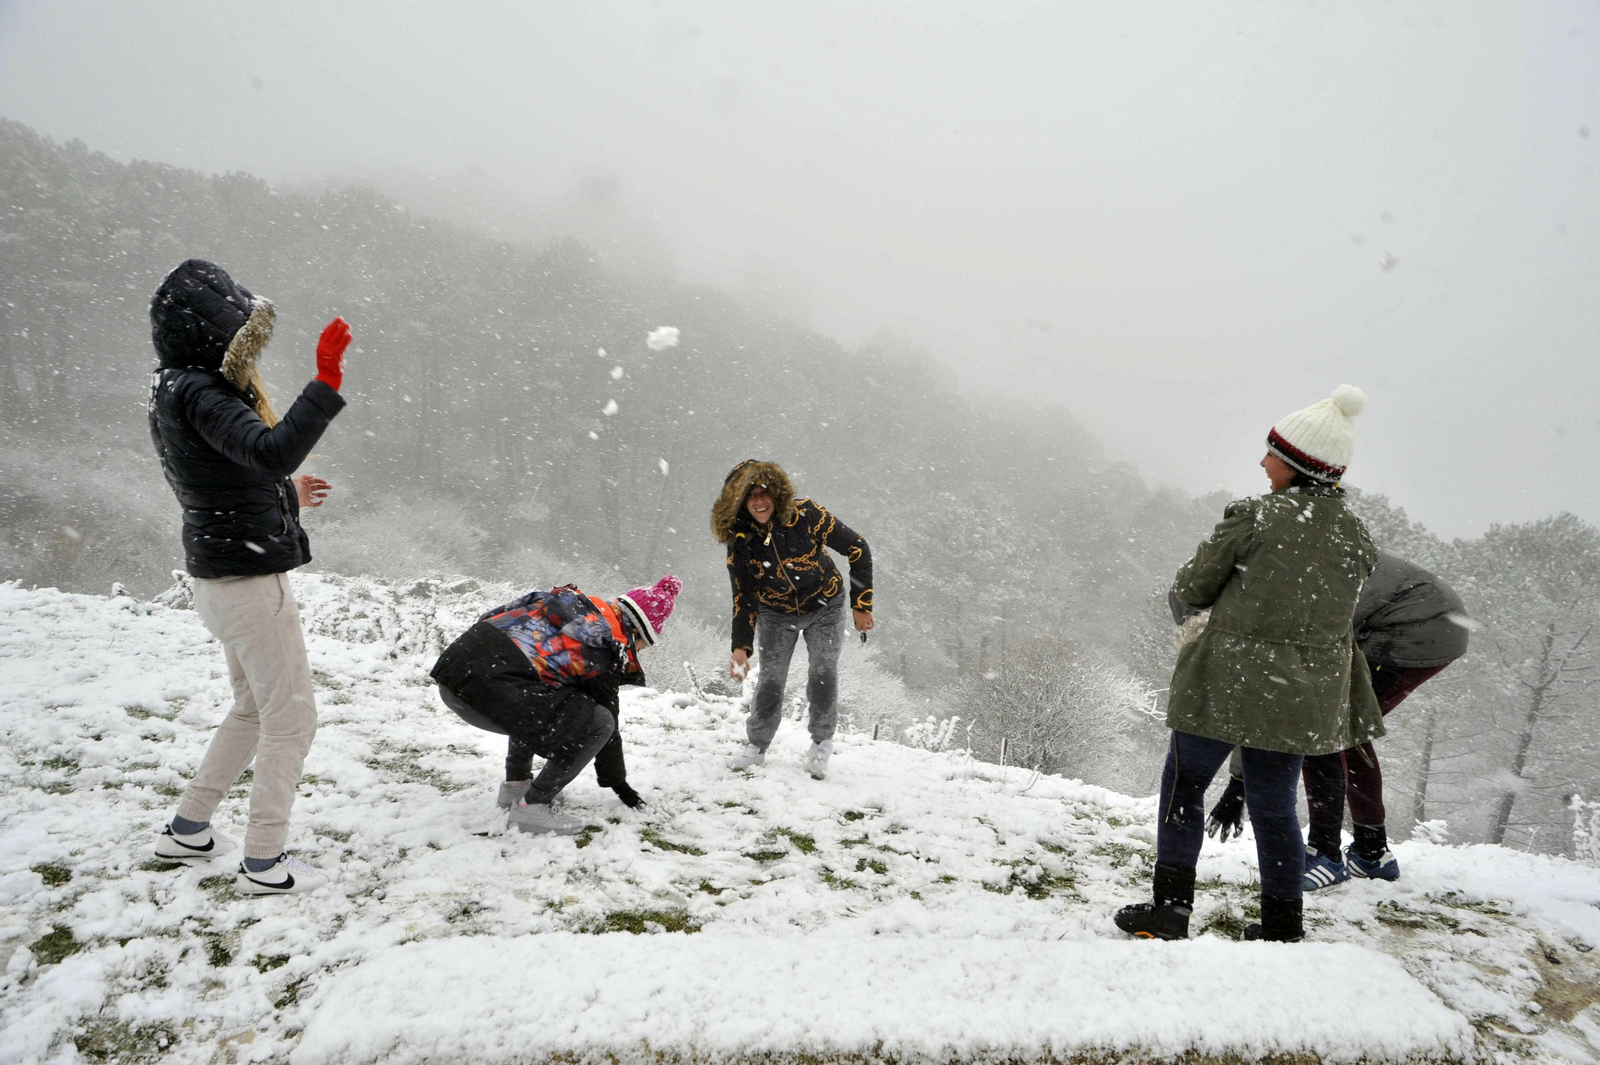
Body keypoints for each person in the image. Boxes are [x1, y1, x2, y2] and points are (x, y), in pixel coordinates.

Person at [1115, 385, 1383, 943]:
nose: (1263, 463)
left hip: (1226, 680)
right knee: (1275, 805)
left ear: (1297, 464)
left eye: (1272, 454)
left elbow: (1193, 588)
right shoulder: (1357, 535)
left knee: (1184, 787)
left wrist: (1198, 610)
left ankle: (1170, 910)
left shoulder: (1255, 517)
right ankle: (1283, 924)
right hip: (1301, 695)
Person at [147, 259, 351, 896]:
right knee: (292, 719)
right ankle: (264, 861)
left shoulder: (171, 388)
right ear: (215, 332)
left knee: (253, 710)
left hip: (219, 577)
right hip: (250, 582)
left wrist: (287, 494)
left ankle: (188, 829)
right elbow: (269, 452)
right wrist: (325, 381)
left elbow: (217, 480)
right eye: (242, 335)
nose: (249, 349)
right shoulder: (203, 392)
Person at [1205, 554, 1470, 888]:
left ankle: (1325, 854)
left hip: (1413, 625)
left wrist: (1239, 786)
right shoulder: (1284, 559)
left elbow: (1271, 696)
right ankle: (1372, 853)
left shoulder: (1275, 590)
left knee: (1317, 726)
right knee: (1344, 731)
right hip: (1436, 619)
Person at [430, 576, 681, 834]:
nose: (637, 653)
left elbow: (490, 618)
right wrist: (619, 785)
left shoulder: (559, 603)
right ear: (636, 632)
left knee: (542, 694)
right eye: (641, 646)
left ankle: (515, 786)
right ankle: (532, 807)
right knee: (597, 722)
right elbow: (609, 726)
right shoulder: (603, 646)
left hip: (452, 675)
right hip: (478, 700)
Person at [712, 460, 873, 780]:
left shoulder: (807, 515)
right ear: (740, 502)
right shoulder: (741, 542)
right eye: (750, 496)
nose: (759, 501)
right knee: (771, 679)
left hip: (825, 604)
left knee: (823, 673)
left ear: (777, 493)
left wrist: (861, 604)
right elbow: (743, 596)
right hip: (775, 613)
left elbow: (857, 547)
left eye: (764, 493)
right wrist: (740, 647)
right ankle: (757, 746)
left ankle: (821, 744)